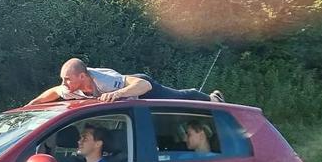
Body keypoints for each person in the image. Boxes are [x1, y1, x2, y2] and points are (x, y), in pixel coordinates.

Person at [28, 58, 224, 104]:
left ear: (83, 76)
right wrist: (30, 105)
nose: (64, 83)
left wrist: (118, 93)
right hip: (126, 94)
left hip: (136, 86)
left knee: (177, 98)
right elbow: (53, 92)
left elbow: (144, 86)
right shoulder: (70, 87)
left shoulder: (104, 81)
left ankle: (212, 99)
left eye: (67, 79)